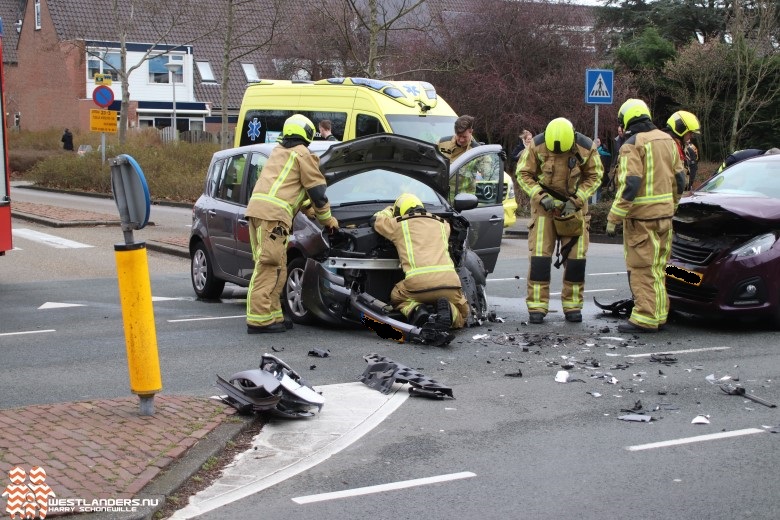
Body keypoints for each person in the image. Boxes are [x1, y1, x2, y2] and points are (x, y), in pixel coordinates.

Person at [244, 114, 339, 333]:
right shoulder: (303, 154)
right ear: (307, 134)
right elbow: (317, 194)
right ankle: (258, 320)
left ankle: (273, 315)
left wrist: (310, 210)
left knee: (277, 265)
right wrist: (328, 221)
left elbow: (292, 192)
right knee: (268, 266)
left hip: (259, 212)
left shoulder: (279, 153)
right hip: (274, 216)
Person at [606, 99, 687, 333]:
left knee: (642, 268)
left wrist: (613, 217)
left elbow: (630, 184)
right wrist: (672, 205)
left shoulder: (632, 144)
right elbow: (680, 180)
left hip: (641, 220)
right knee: (659, 268)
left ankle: (645, 317)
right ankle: (660, 314)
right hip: (665, 217)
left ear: (627, 119)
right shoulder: (667, 140)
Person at [516, 117, 602, 324]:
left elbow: (595, 175)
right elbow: (523, 174)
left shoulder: (586, 147)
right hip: (544, 209)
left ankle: (573, 306)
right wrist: (541, 197)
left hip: (574, 208)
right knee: (540, 258)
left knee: (575, 259)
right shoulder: (537, 145)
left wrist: (578, 199)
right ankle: (537, 306)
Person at [371, 193, 469, 331]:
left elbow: (376, 220)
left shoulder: (398, 225)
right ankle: (450, 311)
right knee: (463, 313)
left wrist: (390, 210)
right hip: (450, 285)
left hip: (418, 285)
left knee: (397, 296)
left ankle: (417, 310)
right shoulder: (444, 224)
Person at [664, 110, 701, 191]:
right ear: (680, 128)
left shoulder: (684, 147)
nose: (691, 135)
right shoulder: (666, 145)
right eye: (690, 132)